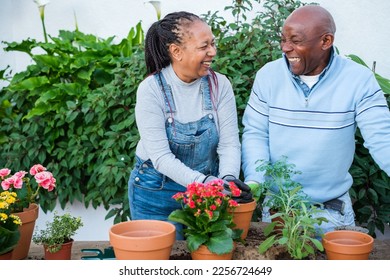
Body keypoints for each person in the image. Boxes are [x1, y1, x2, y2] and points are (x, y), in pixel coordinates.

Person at [241, 5, 390, 234]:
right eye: (283, 39)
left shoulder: (358, 79)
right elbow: (256, 133)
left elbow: (382, 138)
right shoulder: (268, 76)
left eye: (295, 40)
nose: (285, 48)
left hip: (331, 212)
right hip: (279, 209)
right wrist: (254, 179)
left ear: (326, 41)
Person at [128, 11, 251, 240]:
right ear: (176, 51)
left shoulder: (219, 85)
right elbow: (162, 158)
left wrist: (227, 180)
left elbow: (229, 145)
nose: (212, 52)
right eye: (204, 46)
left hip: (206, 193)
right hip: (156, 192)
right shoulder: (152, 89)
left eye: (213, 44)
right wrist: (205, 183)